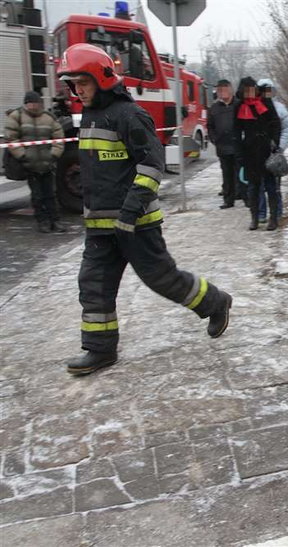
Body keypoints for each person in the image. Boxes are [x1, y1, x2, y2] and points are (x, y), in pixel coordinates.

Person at [57, 43, 233, 376]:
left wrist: (129, 212)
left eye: (83, 82)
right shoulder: (90, 114)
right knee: (93, 285)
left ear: (101, 78)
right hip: (99, 226)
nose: (77, 90)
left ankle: (215, 302)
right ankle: (100, 349)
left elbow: (151, 165)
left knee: (161, 279)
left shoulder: (130, 115)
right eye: (73, 84)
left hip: (136, 224)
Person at [4, 91, 66, 233]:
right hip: (30, 165)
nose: (32, 105)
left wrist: (54, 155)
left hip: (48, 164)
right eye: (30, 103)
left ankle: (55, 221)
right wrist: (23, 156)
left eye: (35, 102)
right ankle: (42, 222)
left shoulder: (49, 118)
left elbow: (58, 138)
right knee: (37, 196)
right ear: (26, 104)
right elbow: (11, 138)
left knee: (51, 194)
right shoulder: (17, 117)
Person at [233, 77, 281, 230]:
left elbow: (276, 123)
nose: (250, 93)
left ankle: (273, 219)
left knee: (271, 186)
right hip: (249, 152)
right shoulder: (239, 106)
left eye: (252, 89)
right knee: (253, 188)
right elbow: (236, 131)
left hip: (267, 150)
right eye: (246, 90)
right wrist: (239, 154)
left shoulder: (265, 102)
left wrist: (275, 142)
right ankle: (254, 218)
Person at [256, 78, 288, 221]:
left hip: (273, 154)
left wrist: (280, 147)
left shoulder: (280, 109)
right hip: (257, 153)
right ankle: (260, 213)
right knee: (259, 185)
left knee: (274, 185)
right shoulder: (253, 108)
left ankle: (277, 211)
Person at [208, 79, 238, 209]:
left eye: (225, 89)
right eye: (220, 90)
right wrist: (214, 139)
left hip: (238, 145)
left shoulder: (239, 105)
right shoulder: (214, 108)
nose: (222, 92)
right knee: (227, 174)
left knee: (241, 173)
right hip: (223, 147)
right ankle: (228, 199)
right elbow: (210, 126)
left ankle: (245, 197)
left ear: (231, 90)